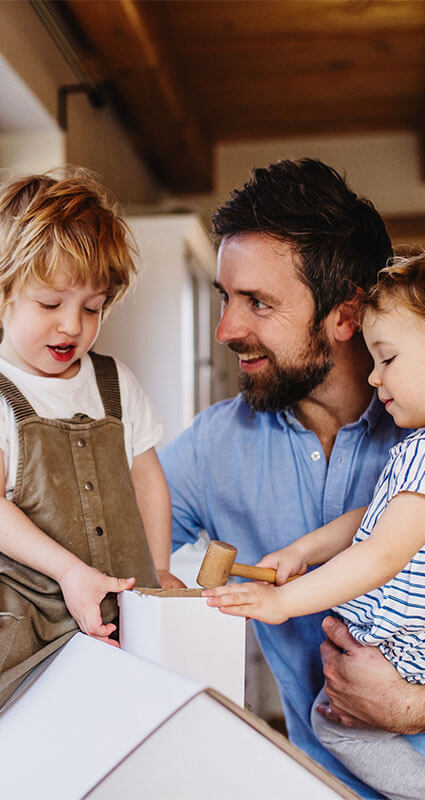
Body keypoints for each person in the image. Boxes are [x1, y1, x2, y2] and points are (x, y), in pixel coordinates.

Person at [159, 158, 425, 799]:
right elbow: (106, 541)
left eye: (258, 302)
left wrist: (415, 706)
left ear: (344, 314)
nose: (226, 329)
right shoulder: (212, 447)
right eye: (226, 298)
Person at [0, 170, 182, 709]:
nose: (71, 327)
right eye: (50, 304)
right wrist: (70, 571)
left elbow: (147, 479)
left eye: (92, 307)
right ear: (4, 290)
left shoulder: (114, 381)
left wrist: (157, 567)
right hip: (30, 639)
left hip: (121, 631)